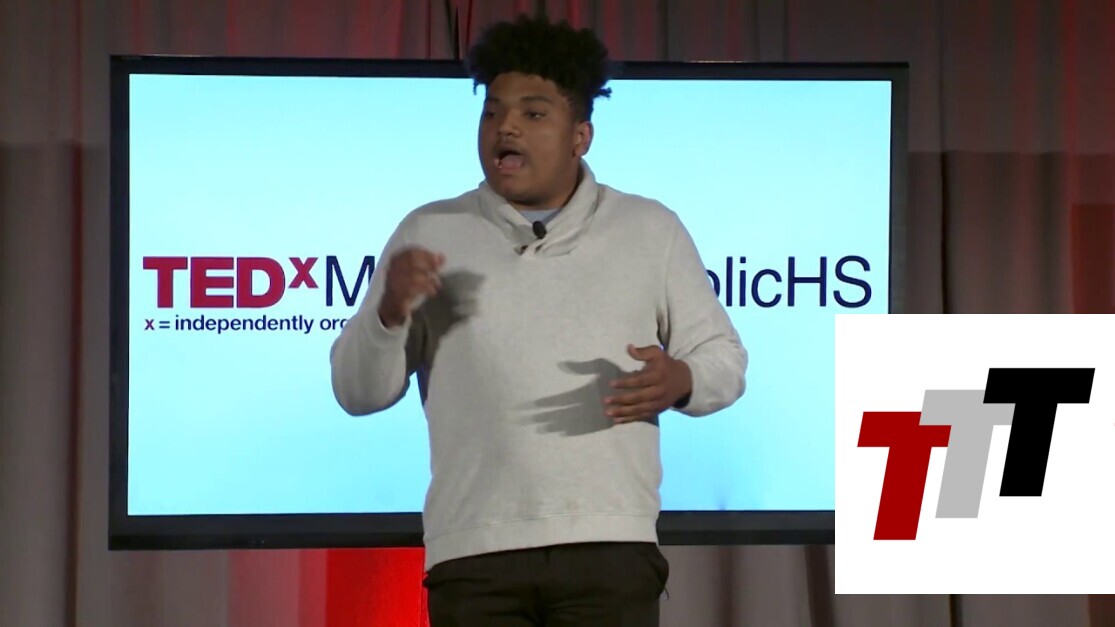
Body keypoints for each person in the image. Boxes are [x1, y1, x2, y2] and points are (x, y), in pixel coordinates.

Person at [330, 13, 747, 627]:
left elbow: (725, 361)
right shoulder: (430, 231)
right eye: (492, 113)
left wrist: (681, 380)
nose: (506, 128)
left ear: (581, 135)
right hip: (474, 552)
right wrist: (388, 314)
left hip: (609, 548)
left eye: (532, 113)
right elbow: (356, 391)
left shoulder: (649, 229)